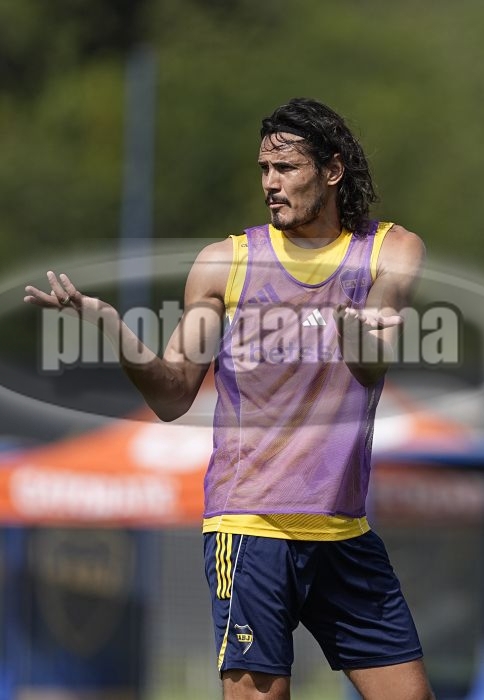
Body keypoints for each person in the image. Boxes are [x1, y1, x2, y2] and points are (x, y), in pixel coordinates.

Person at [24, 97, 434, 700]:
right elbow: (171, 395)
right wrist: (111, 325)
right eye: (264, 169)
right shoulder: (225, 263)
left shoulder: (389, 250)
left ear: (332, 171)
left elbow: (371, 363)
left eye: (286, 168)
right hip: (250, 528)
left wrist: (357, 333)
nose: (270, 183)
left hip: (344, 532)